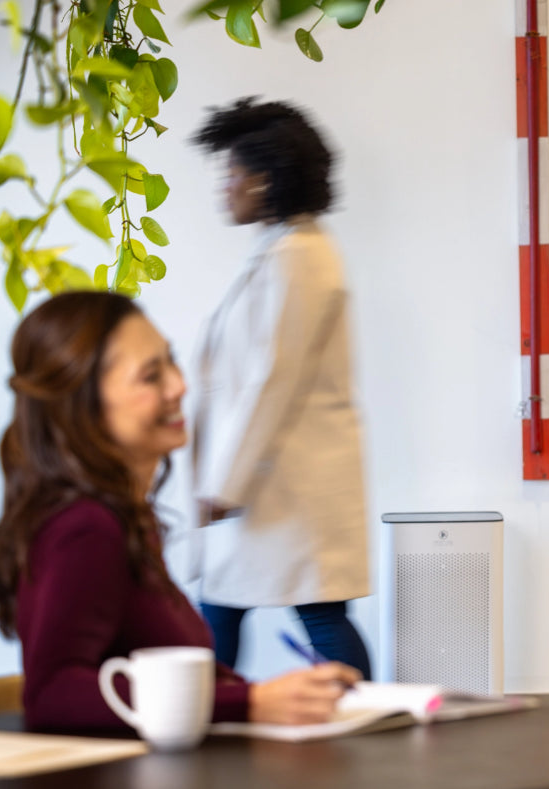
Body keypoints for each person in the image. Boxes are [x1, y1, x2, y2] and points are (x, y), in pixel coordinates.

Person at [0, 292, 413, 789]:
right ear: (84, 405)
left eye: (170, 361)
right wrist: (250, 704)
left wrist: (268, 697)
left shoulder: (119, 518)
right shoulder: (85, 528)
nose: (178, 386)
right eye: (150, 374)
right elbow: (53, 694)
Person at [188, 97, 372, 677]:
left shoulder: (300, 256)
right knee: (229, 608)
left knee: (309, 615)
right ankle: (210, 728)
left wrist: (225, 482)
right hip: (275, 485)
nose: (225, 187)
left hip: (285, 487)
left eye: (233, 174)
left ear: (265, 183)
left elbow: (274, 378)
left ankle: (364, 734)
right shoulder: (283, 249)